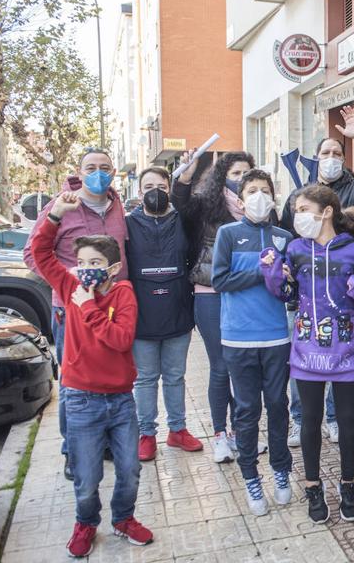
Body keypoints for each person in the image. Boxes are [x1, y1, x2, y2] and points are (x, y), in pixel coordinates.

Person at [31, 191, 150, 557]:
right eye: (80, 262)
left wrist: (89, 310)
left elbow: (120, 339)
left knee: (129, 470)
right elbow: (40, 254)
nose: (84, 269)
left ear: (112, 268)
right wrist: (54, 216)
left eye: (94, 262)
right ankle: (86, 522)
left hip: (120, 401)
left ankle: (123, 518)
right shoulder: (69, 287)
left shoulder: (124, 294)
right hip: (80, 399)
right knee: (86, 477)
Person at [262, 185, 354, 524]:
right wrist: (272, 274)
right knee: (310, 421)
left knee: (347, 421)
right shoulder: (296, 250)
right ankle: (313, 486)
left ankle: (348, 484)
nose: (297, 216)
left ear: (326, 211)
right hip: (307, 348)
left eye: (303, 208)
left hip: (346, 349)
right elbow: (288, 294)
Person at [23, 148, 129, 481]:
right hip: (71, 306)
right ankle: (74, 450)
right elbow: (33, 255)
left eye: (104, 167)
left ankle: (107, 441)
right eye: (91, 167)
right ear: (79, 171)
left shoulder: (117, 206)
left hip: (111, 304)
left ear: (113, 173)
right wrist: (75, 280)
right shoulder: (62, 205)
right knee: (73, 382)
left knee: (109, 372)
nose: (98, 172)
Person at [211, 169, 293, 516]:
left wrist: (287, 280)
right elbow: (219, 279)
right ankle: (250, 476)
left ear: (273, 198)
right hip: (238, 338)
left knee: (278, 406)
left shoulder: (284, 237)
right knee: (246, 411)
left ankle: (281, 470)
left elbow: (291, 289)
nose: (259, 196)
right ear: (241, 200)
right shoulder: (227, 234)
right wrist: (262, 271)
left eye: (265, 190)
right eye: (252, 190)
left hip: (276, 336)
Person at [172, 151, 256, 464]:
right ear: (223, 175)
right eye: (236, 172)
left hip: (244, 295)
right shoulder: (207, 204)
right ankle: (220, 434)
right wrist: (186, 175)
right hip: (210, 294)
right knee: (221, 367)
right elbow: (180, 204)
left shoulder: (255, 207)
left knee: (241, 368)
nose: (242, 178)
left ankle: (240, 433)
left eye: (247, 172)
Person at [126, 167, 201, 462]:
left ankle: (177, 430)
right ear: (139, 191)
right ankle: (146, 434)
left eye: (160, 185)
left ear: (170, 188)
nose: (154, 190)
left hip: (177, 308)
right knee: (145, 378)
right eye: (148, 186)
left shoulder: (183, 221)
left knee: (175, 376)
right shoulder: (127, 224)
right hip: (141, 312)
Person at [280, 106, 354, 231]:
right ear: (317, 158)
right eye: (326, 153)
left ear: (343, 159)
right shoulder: (299, 195)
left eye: (337, 154)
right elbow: (287, 233)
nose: (331, 157)